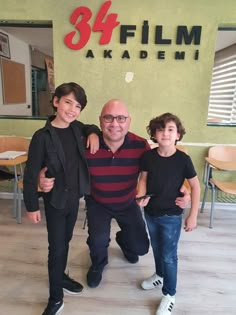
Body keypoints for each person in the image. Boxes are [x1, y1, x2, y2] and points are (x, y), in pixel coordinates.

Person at [39, 100, 190, 290]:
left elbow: (164, 168)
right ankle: (98, 264)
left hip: (128, 203)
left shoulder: (140, 145)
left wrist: (185, 189)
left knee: (141, 248)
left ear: (129, 121)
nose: (115, 124)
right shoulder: (86, 145)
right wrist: (41, 177)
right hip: (98, 203)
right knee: (97, 241)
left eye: (121, 118)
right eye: (108, 118)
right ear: (100, 121)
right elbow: (62, 165)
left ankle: (123, 240)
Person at [23, 82, 100, 315]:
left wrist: (94, 132)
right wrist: (31, 204)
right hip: (55, 201)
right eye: (68, 102)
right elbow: (31, 171)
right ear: (56, 102)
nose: (72, 109)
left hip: (74, 199)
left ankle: (61, 277)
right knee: (56, 248)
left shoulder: (77, 129)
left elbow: (90, 126)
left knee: (65, 241)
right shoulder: (42, 136)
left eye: (78, 106)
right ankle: (56, 298)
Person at [136, 113, 200, 315]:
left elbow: (195, 186)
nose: (165, 133)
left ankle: (169, 294)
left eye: (170, 129)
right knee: (156, 248)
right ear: (154, 134)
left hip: (172, 216)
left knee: (169, 255)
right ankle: (160, 274)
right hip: (151, 213)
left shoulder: (183, 159)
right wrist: (141, 195)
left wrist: (193, 215)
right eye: (161, 129)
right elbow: (143, 179)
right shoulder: (148, 156)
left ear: (178, 135)